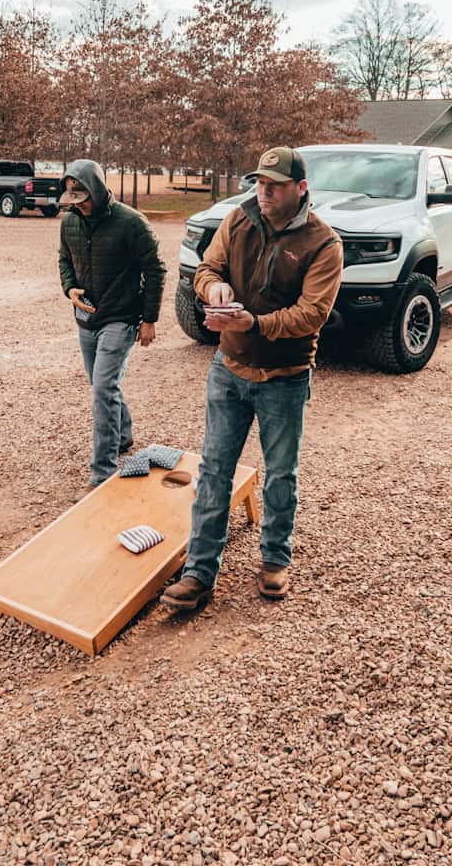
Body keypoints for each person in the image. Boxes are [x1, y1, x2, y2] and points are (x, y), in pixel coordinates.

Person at [161, 146, 343, 610]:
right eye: (260, 182)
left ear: (300, 189)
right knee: (214, 470)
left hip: (284, 376)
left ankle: (275, 561)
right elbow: (207, 268)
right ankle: (200, 573)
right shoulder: (238, 219)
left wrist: (254, 324)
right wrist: (212, 287)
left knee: (280, 474)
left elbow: (311, 315)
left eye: (275, 185)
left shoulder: (324, 244)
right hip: (229, 368)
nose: (263, 191)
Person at [58, 160, 166, 490]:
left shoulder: (132, 223)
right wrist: (69, 288)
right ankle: (123, 434)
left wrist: (149, 319)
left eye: (84, 198)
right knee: (101, 384)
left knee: (103, 388)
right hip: (86, 318)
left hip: (121, 318)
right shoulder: (70, 222)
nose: (80, 206)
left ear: (97, 189)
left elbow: (156, 270)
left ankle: (101, 473)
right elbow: (64, 260)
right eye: (74, 200)